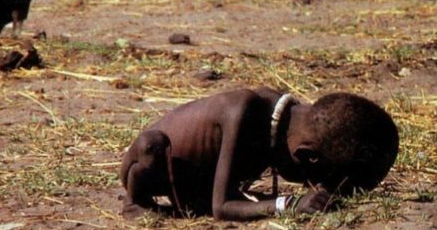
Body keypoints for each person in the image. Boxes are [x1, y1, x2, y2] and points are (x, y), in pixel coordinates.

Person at [120, 87, 399, 220]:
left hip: (197, 182)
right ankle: (136, 204)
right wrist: (287, 204)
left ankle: (191, 200)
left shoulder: (289, 121)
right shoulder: (243, 113)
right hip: (152, 166)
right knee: (150, 147)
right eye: (316, 179)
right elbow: (222, 207)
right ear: (306, 157)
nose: (315, 187)